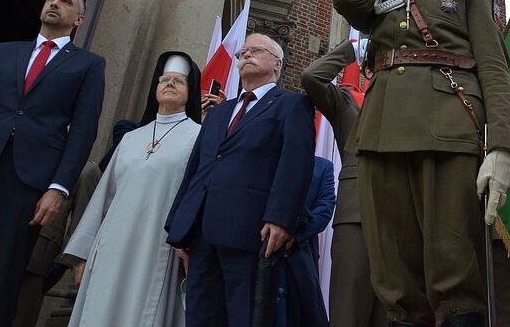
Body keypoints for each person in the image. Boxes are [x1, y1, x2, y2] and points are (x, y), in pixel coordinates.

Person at [333, 0, 510, 327]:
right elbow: (347, 0)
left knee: (454, 276)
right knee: (395, 282)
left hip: (449, 130)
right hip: (379, 134)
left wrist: (502, 147)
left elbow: (493, 64)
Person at [166, 33, 315, 327]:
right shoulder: (219, 112)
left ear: (277, 63)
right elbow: (196, 169)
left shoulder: (291, 105)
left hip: (249, 230)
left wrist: (281, 219)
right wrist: (178, 222)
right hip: (202, 230)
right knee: (199, 313)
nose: (245, 55)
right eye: (242, 52)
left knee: (243, 314)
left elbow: (294, 164)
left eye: (255, 50)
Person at [0, 0, 106, 326]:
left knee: (2, 272)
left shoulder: (88, 65)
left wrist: (59, 188)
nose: (55, 3)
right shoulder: (3, 52)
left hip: (27, 179)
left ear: (79, 19)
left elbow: (84, 132)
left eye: (65, 1)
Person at [61, 51, 202, 326]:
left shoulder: (199, 137)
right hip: (110, 247)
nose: (170, 84)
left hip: (157, 247)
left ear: (191, 91)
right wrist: (84, 253)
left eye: (179, 81)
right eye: (164, 79)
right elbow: (104, 196)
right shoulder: (131, 139)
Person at [300, 39, 387, 327]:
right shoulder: (347, 102)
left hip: (405, 214)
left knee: (396, 314)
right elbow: (312, 77)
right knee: (348, 308)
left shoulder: (416, 100)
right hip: (356, 210)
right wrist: (352, 48)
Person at [12, 160, 101, 327]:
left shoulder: (88, 170)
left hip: (38, 257)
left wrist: (62, 263)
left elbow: (81, 222)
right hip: (7, 240)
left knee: (21, 316)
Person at [277, 156, 336, 327]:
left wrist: (293, 237)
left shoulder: (323, 167)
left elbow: (325, 210)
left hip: (301, 255)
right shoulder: (270, 158)